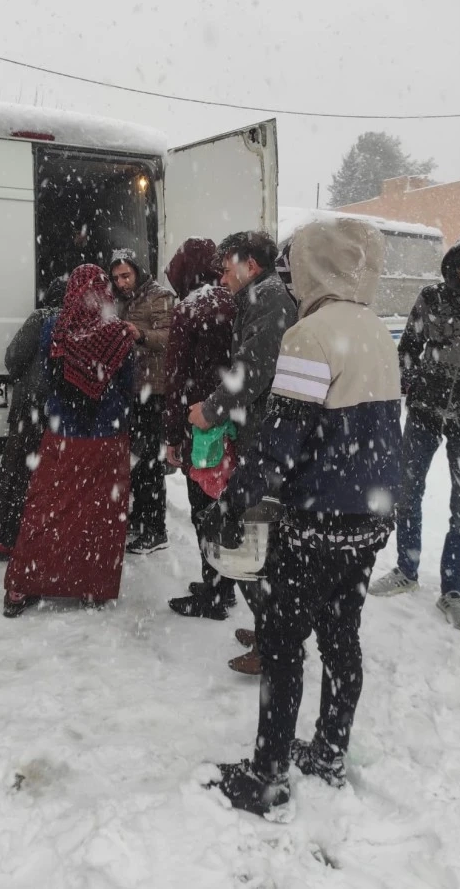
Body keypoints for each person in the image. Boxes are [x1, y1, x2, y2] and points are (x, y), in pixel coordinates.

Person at [201, 218, 401, 816]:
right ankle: (331, 751)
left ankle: (267, 775)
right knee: (342, 637)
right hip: (368, 516)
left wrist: (231, 503)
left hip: (317, 517)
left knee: (283, 644)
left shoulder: (309, 336)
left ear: (313, 268)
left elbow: (278, 443)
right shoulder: (376, 331)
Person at [169, 231, 295, 633]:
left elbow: (252, 371)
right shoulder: (255, 299)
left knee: (251, 530)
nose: (221, 280)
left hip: (265, 435)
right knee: (246, 528)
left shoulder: (269, 299)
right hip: (256, 431)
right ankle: (267, 633)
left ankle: (274, 641)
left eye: (226, 271)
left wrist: (209, 410)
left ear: (250, 266)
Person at [3, 264, 134, 617]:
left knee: (46, 508)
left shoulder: (54, 328)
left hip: (63, 434)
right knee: (100, 514)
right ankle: (91, 585)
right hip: (107, 437)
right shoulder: (121, 334)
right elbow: (127, 386)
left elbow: (47, 376)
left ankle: (23, 585)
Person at [370, 224, 460, 630]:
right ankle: (406, 571)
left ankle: (452, 590)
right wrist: (408, 385)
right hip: (425, 413)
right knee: (408, 492)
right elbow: (407, 351)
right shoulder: (432, 298)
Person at [162, 237, 238, 609]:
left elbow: (176, 378)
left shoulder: (189, 308)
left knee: (203, 506)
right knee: (228, 503)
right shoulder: (236, 299)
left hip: (202, 421)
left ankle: (215, 592)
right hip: (236, 419)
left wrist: (173, 435)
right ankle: (230, 581)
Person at [0, 277, 67, 561]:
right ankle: (43, 538)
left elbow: (12, 360)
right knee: (48, 480)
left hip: (30, 410)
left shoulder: (40, 317)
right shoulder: (80, 323)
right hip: (60, 414)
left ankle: (4, 541)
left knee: (14, 477)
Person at [109, 247, 174, 554]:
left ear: (138, 271)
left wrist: (140, 334)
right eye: (117, 277)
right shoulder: (122, 299)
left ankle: (156, 529)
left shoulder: (158, 296)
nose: (122, 282)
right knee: (136, 460)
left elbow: (169, 337)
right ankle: (141, 517)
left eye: (126, 275)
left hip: (155, 391)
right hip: (132, 390)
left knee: (150, 462)